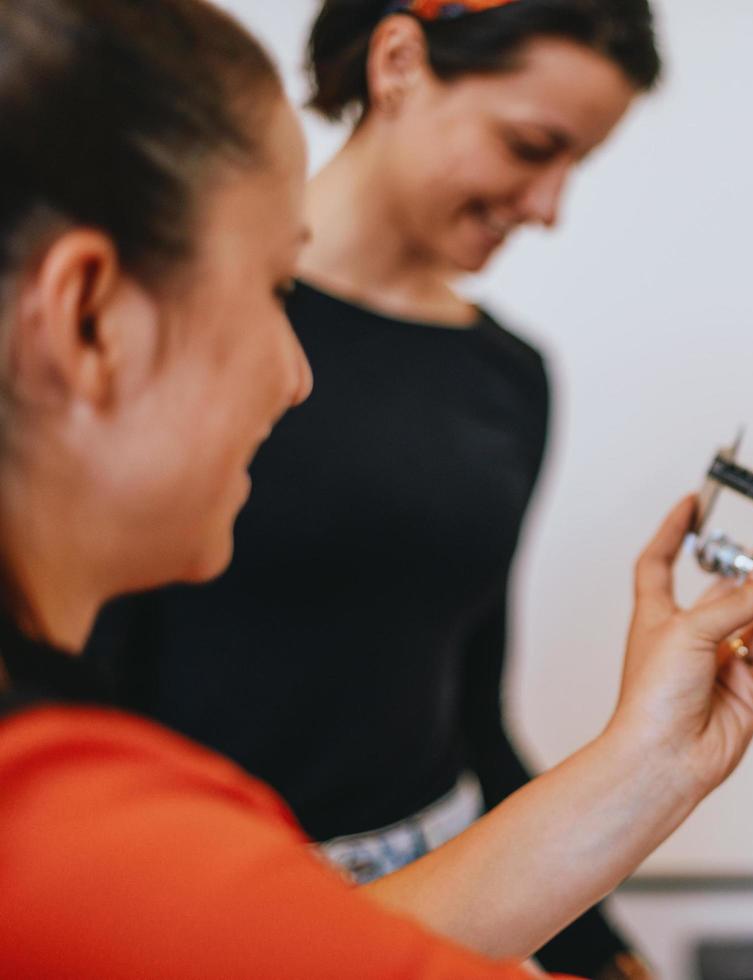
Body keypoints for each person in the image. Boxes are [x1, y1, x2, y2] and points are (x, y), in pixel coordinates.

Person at [0, 1, 753, 977]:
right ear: (89, 318)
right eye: (273, 287)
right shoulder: (77, 834)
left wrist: (649, 764)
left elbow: (358, 930)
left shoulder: (102, 824)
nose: (299, 373)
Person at [85, 1, 659, 972]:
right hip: (202, 907)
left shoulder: (509, 378)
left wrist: (597, 948)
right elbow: (90, 684)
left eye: (577, 166)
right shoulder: (173, 327)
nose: (550, 205)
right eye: (530, 145)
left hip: (461, 892)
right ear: (398, 64)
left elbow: (470, 704)